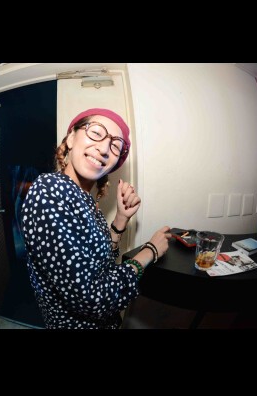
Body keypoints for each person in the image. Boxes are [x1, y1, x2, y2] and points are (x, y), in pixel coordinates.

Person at [21, 108, 171, 329]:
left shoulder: (86, 201)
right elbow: (92, 299)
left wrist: (121, 219)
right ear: (71, 138)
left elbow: (102, 264)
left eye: (115, 146)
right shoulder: (50, 190)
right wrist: (149, 251)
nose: (104, 148)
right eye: (96, 132)